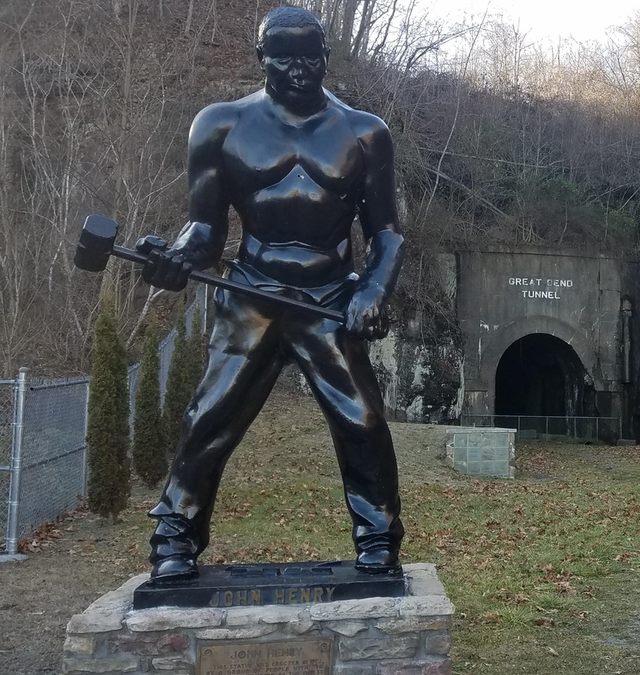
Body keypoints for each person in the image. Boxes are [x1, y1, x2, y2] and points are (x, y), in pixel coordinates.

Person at [141, 6, 405, 581]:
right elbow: (206, 230)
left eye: (310, 56)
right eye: (283, 56)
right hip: (253, 291)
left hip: (329, 296)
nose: (297, 69)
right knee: (209, 416)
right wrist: (180, 258)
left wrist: (375, 290)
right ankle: (174, 534)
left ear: (327, 57)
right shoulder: (220, 126)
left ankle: (379, 537)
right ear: (261, 58)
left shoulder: (364, 132)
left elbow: (385, 232)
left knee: (361, 420)